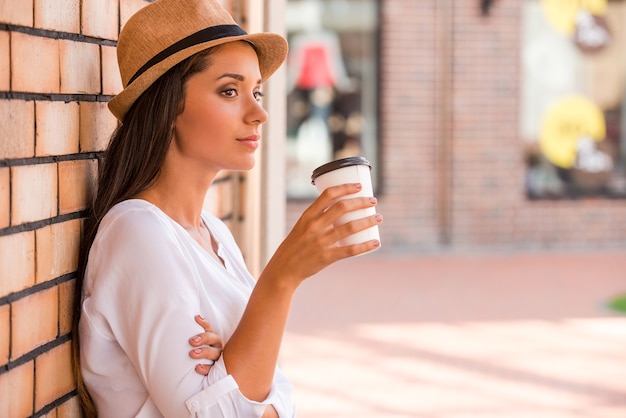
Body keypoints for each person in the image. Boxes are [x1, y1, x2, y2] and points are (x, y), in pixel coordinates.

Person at [71, 0, 382, 417]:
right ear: (169, 108)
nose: (260, 113)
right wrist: (282, 276)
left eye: (256, 91)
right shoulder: (137, 233)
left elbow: (278, 396)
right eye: (229, 91)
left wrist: (233, 360)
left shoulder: (215, 235)